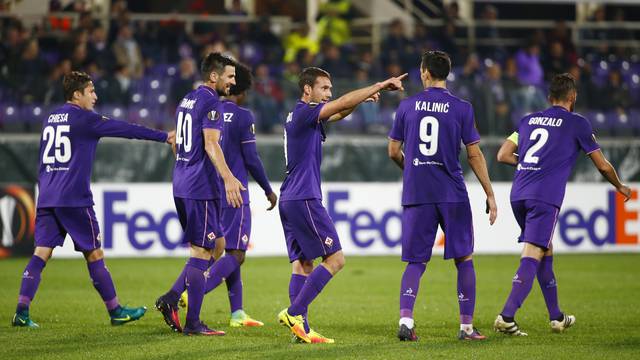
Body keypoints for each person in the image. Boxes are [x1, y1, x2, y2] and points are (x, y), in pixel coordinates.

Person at [12, 71, 175, 328]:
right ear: (77, 94)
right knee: (94, 254)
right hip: (74, 198)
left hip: (47, 196)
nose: (95, 96)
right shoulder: (85, 119)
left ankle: (21, 311)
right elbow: (126, 129)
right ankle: (116, 311)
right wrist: (163, 136)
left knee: (40, 253)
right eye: (91, 91)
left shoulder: (50, 119)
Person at [494, 73, 631, 336]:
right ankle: (506, 316)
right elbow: (602, 164)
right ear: (573, 97)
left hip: (518, 194)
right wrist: (620, 185)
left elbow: (502, 155)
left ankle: (556, 317)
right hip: (544, 196)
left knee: (545, 248)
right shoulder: (577, 123)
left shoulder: (527, 120)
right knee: (533, 252)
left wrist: (528, 164)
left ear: (549, 97)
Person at [277, 67, 407, 344]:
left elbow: (338, 112)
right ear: (307, 90)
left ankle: (302, 330)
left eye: (330, 89)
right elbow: (340, 105)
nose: (329, 93)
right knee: (336, 259)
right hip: (304, 197)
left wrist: (359, 100)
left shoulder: (302, 117)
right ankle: (294, 313)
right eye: (324, 88)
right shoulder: (304, 112)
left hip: (290, 197)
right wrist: (378, 86)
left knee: (302, 264)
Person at [388, 50, 497, 342]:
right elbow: (474, 154)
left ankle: (406, 321)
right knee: (464, 258)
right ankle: (466, 328)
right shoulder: (462, 108)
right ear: (446, 73)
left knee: (416, 261)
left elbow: (393, 151)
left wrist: (410, 169)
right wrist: (490, 193)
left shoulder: (407, 107)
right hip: (451, 192)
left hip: (417, 191)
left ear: (424, 72)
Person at [177, 62, 277, 327]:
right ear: (242, 91)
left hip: (209, 188)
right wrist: (268, 188)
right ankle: (188, 291)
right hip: (235, 191)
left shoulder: (207, 106)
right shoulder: (243, 116)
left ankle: (237, 313)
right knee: (236, 254)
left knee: (222, 249)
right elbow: (252, 159)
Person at [154, 53, 244, 336]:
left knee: (218, 244)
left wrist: (185, 167)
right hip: (200, 187)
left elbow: (176, 142)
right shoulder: (211, 102)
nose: (233, 81)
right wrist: (229, 178)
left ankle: (172, 297)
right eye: (229, 76)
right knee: (201, 251)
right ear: (214, 76)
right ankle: (193, 323)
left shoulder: (187, 99)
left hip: (182, 181)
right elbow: (211, 144)